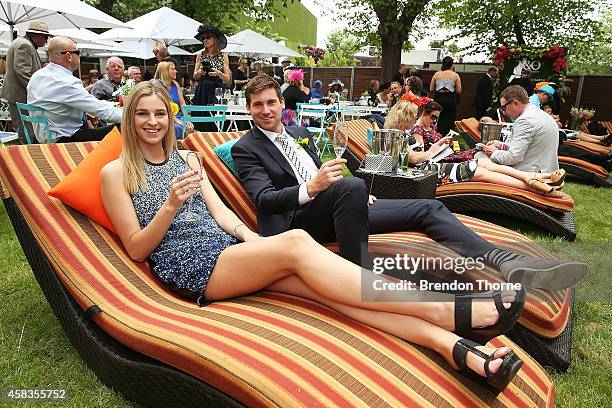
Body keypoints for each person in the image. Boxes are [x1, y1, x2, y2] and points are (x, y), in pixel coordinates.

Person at [101, 80, 536, 393]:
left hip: (230, 252)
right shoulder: (116, 172)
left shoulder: (188, 159)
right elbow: (138, 248)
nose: (153, 122)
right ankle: (449, 310)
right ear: (129, 118)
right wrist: (171, 207)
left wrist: (254, 242)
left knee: (330, 294)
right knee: (297, 244)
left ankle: (456, 348)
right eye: (143, 114)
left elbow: (224, 217)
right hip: (191, 268)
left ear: (170, 117)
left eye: (160, 113)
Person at [231, 75, 586, 290]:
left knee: (428, 206)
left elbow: (317, 170)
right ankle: (361, 281)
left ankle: (504, 261)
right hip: (297, 224)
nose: (266, 110)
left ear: (281, 103)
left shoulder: (296, 130)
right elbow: (264, 199)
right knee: (353, 186)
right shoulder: (248, 147)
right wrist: (318, 188)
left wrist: (345, 195)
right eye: (258, 105)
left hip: (335, 209)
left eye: (272, 102)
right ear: (249, 108)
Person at [386, 100, 565, 197]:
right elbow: (413, 159)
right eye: (412, 117)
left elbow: (417, 155)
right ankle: (533, 188)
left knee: (485, 164)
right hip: (424, 172)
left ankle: (537, 177)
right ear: (403, 117)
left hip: (428, 166)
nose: (413, 121)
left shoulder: (403, 134)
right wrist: (432, 151)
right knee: (479, 171)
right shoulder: (395, 135)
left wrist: (436, 146)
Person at [27, 37, 122, 143]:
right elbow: (106, 113)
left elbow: (50, 106)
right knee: (123, 128)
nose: (79, 56)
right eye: (78, 52)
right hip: (65, 140)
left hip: (41, 138)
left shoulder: (37, 76)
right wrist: (133, 116)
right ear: (69, 56)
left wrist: (83, 114)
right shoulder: (66, 82)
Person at [483, 85, 559, 173]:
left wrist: (494, 152)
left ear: (515, 103)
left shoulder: (525, 120)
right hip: (547, 172)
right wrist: (502, 146)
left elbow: (513, 157)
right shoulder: (540, 114)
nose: (504, 112)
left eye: (504, 108)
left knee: (480, 161)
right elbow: (531, 148)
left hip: (531, 177)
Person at [2, 20, 48, 145]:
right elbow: (23, 72)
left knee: (27, 131)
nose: (46, 41)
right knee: (27, 132)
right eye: (45, 37)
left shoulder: (24, 43)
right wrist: (38, 92)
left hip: (18, 95)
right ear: (36, 35)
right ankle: (27, 157)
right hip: (20, 96)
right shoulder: (25, 45)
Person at [153, 61, 192, 138]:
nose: (176, 71)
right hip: (164, 117)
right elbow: (163, 107)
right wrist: (178, 122)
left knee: (190, 127)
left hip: (178, 117)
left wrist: (187, 119)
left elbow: (182, 104)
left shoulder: (175, 84)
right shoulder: (156, 84)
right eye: (173, 69)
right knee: (175, 128)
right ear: (165, 71)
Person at [430, 56, 461, 136]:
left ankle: (436, 135)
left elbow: (431, 89)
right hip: (450, 99)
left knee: (437, 118)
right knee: (449, 119)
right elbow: (458, 90)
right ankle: (447, 136)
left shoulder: (436, 74)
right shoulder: (455, 75)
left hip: (439, 98)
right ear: (451, 65)